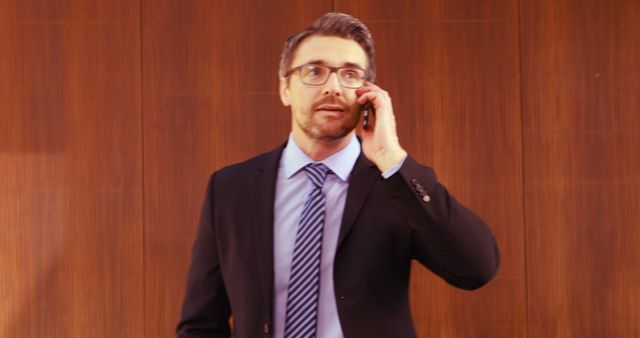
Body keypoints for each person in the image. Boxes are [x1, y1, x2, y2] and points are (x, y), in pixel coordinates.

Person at [176, 12, 499, 338]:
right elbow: (201, 323)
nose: (333, 87)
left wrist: (391, 158)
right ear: (285, 89)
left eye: (350, 74)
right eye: (314, 71)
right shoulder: (231, 189)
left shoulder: (395, 185)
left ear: (368, 93)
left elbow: (476, 269)